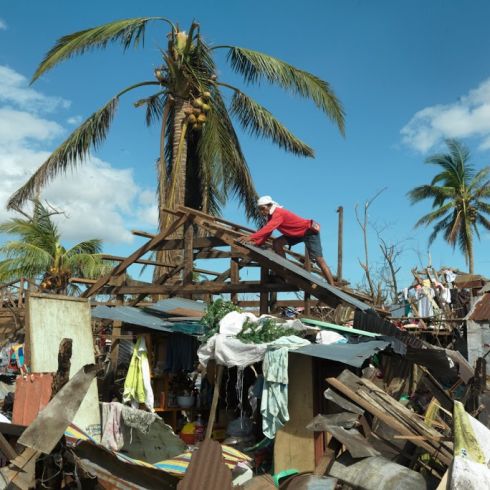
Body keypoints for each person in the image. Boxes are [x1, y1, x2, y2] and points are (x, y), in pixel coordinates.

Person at [237, 196, 335, 285]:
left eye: (263, 208)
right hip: (295, 234)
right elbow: (268, 233)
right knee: (277, 243)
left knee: (319, 260)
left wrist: (250, 237)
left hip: (308, 232)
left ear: (269, 206)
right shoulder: (271, 216)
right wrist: (257, 243)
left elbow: (267, 229)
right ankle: (284, 272)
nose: (261, 211)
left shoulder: (278, 213)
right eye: (260, 209)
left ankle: (332, 286)